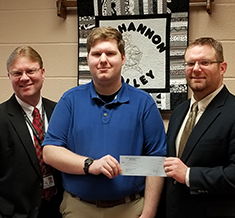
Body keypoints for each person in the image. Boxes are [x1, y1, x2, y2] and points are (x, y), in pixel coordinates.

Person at [42, 26, 166, 218]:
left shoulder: (144, 103)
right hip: (78, 208)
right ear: (88, 59)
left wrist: (148, 214)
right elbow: (50, 152)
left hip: (130, 208)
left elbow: (156, 161)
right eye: (96, 53)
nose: (103, 60)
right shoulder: (70, 100)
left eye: (110, 53)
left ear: (123, 58)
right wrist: (90, 165)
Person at [163, 37, 235, 218]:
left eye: (205, 62)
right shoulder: (180, 111)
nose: (196, 69)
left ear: (222, 68)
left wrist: (189, 175)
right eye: (190, 63)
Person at [0, 46, 63, 218]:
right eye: (17, 73)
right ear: (9, 76)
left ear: (42, 72)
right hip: (14, 214)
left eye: (31, 71)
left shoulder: (59, 111)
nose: (24, 78)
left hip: (56, 210)